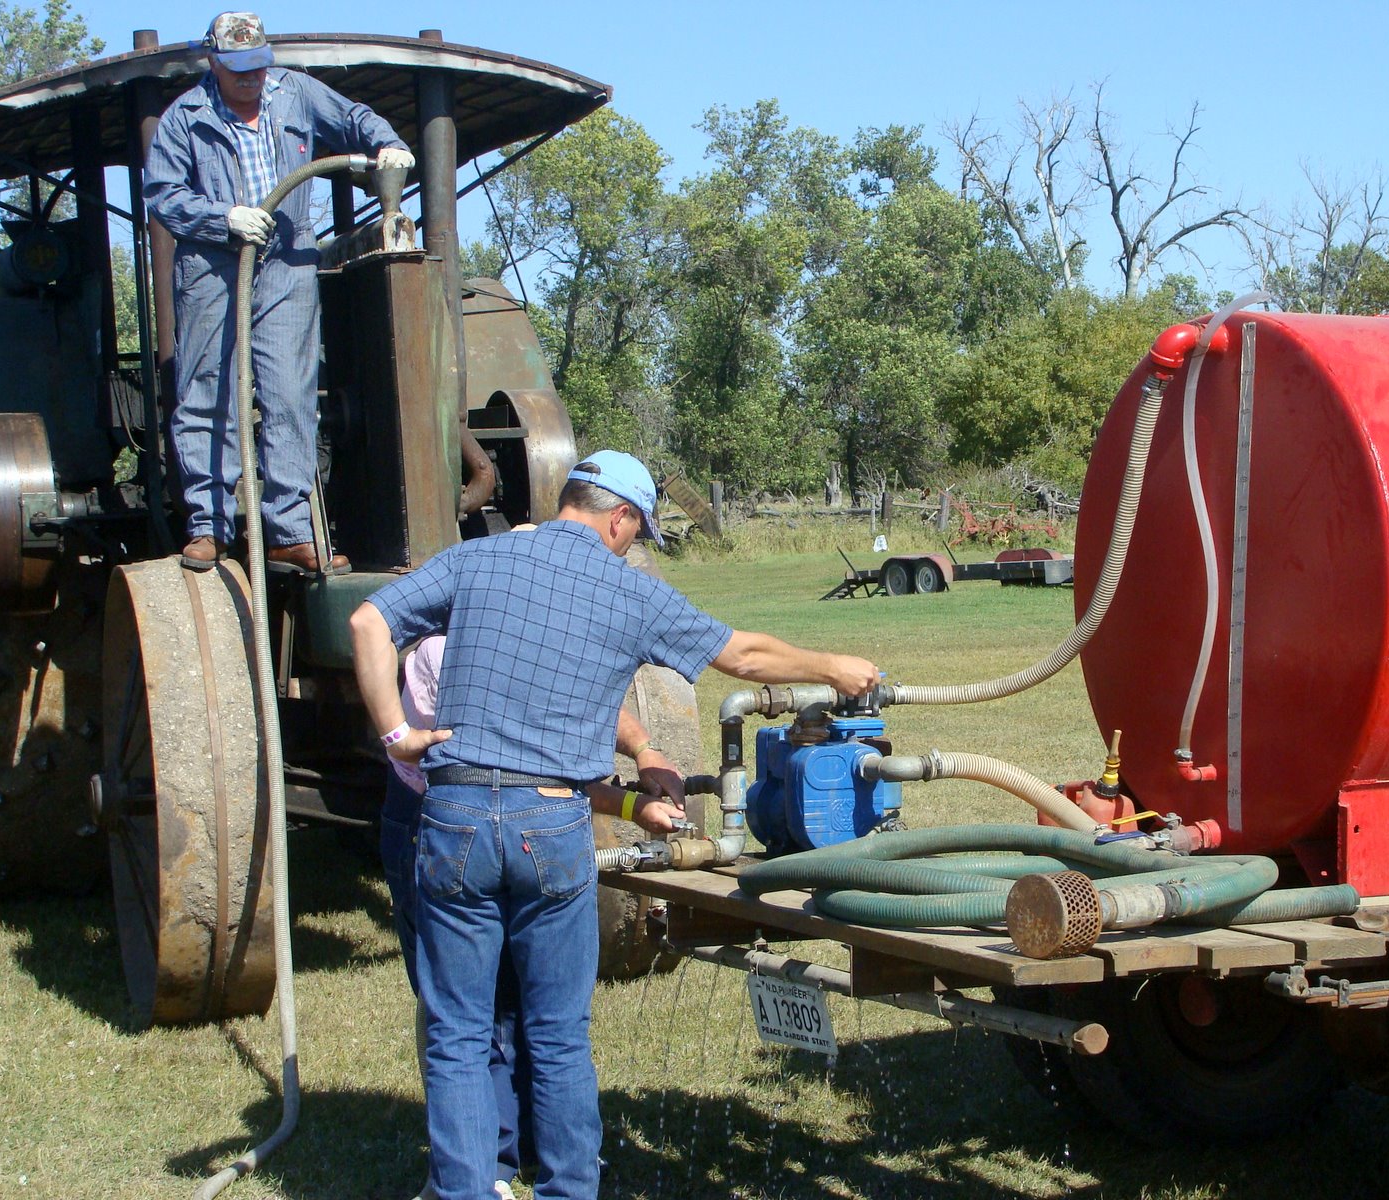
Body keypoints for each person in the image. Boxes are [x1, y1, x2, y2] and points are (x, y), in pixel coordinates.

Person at [350, 450, 880, 1200]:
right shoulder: (625, 591)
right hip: (552, 820)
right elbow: (745, 655)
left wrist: (396, 734)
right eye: (636, 533)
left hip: (454, 816)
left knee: (458, 1035)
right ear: (619, 517)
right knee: (558, 1034)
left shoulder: (478, 560)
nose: (633, 546)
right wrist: (832, 665)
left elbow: (368, 618)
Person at [384, 631, 686, 1200]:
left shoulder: (515, 631)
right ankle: (494, 1165)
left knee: (486, 1017)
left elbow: (551, 757)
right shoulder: (449, 653)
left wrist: (642, 756)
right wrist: (630, 801)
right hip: (443, 813)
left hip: (478, 819)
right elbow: (524, 773)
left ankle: (492, 1163)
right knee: (484, 1016)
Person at [144, 11, 415, 573]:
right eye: (238, 69)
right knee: (208, 394)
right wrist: (224, 219)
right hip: (213, 268)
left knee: (290, 395)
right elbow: (163, 195)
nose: (251, 78)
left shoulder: (296, 93)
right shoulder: (183, 119)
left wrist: (386, 145)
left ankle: (289, 531)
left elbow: (355, 117)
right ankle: (208, 527)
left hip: (287, 264)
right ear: (213, 62)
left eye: (258, 67)